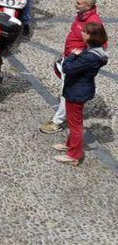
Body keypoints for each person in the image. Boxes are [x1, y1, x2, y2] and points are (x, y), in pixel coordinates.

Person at [43, 0, 106, 133]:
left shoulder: (94, 23)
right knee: (65, 91)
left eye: (78, 3)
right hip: (70, 58)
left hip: (76, 64)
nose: (75, 4)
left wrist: (81, 59)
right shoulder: (81, 15)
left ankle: (57, 122)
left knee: (67, 93)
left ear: (88, 6)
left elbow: (101, 46)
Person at [56, 24, 108, 165]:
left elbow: (68, 68)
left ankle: (74, 155)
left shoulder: (90, 57)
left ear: (92, 36)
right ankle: (70, 145)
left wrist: (72, 55)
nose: (82, 33)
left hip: (77, 91)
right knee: (74, 121)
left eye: (85, 32)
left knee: (75, 124)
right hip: (79, 89)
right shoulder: (95, 51)